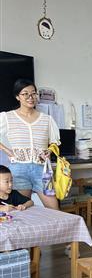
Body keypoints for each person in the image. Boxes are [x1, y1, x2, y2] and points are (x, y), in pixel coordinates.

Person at [0, 78, 60, 210]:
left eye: (33, 93)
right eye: (25, 94)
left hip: (42, 170)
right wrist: (6, 150)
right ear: (17, 97)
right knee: (21, 210)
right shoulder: (7, 117)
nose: (30, 97)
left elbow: (54, 142)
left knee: (55, 211)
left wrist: (49, 151)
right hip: (18, 169)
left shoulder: (47, 119)